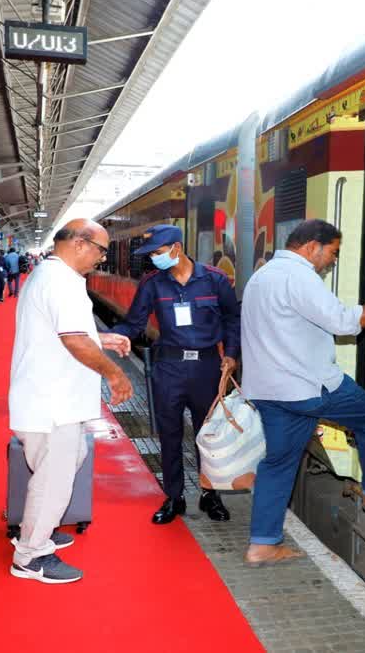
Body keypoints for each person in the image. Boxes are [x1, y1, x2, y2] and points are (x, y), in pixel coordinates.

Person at [240, 220, 365, 566]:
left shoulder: (262, 276)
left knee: (278, 463)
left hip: (269, 391)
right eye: (333, 252)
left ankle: (262, 545)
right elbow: (344, 323)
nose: (332, 261)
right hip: (307, 387)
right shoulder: (299, 277)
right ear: (313, 246)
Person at [8, 219, 133, 584]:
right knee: (54, 480)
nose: (102, 258)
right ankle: (30, 556)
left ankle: (37, 529)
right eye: (101, 250)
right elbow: (73, 339)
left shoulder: (53, 276)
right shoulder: (60, 281)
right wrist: (115, 373)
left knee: (69, 459)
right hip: (53, 403)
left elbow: (66, 329)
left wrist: (102, 339)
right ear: (80, 243)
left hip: (53, 399)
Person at [108, 224, 240, 524]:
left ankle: (210, 495)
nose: (154, 259)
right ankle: (174, 497)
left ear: (176, 248)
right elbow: (134, 322)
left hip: (207, 367)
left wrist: (231, 355)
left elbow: (234, 320)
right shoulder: (153, 284)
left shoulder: (215, 280)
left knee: (208, 434)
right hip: (168, 366)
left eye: (157, 252)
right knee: (169, 434)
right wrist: (107, 337)